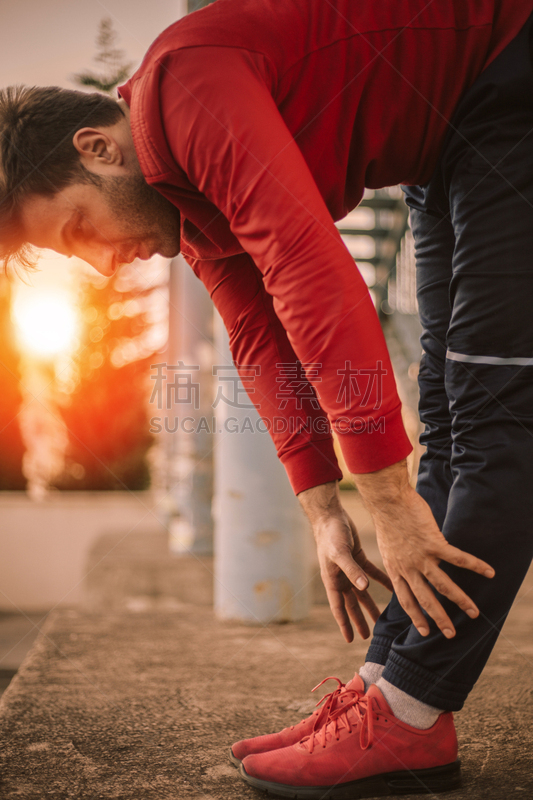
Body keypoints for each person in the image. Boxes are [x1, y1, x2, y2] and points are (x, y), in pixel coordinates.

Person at [1, 1, 533, 796]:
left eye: (79, 230)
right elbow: (258, 336)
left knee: (495, 412)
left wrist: (385, 504)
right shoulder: (182, 194)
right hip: (443, 143)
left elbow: (311, 271)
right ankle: (385, 684)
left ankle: (411, 714)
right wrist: (324, 511)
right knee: (451, 412)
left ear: (99, 148)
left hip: (507, 78)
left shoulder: (186, 89)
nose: (105, 267)